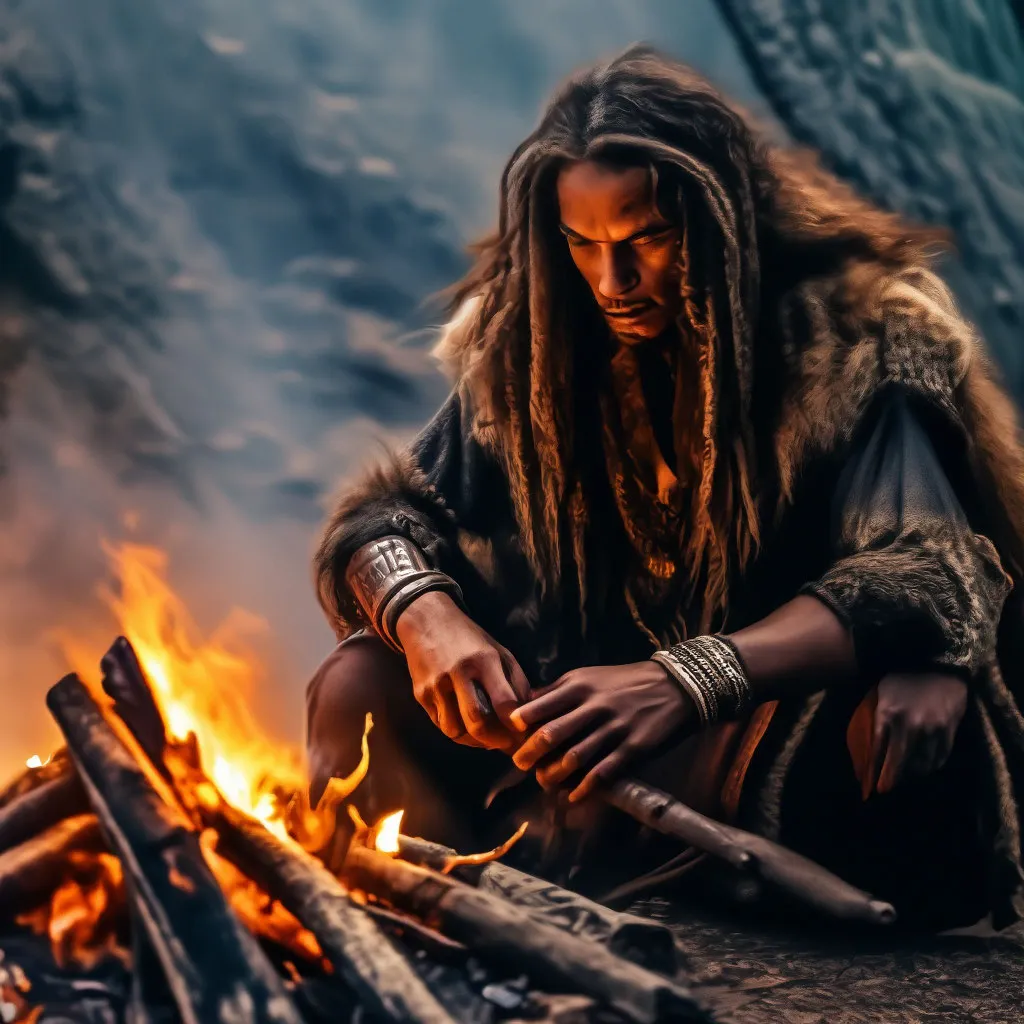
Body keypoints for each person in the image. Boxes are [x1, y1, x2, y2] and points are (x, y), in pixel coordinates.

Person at [306, 45, 1024, 930]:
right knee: (359, 684)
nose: (613, 281)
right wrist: (427, 615)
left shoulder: (858, 335)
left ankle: (604, 852)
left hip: (761, 730)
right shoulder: (532, 344)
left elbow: (930, 572)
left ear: (718, 219)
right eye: (583, 245)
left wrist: (689, 679)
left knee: (896, 729)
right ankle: (517, 853)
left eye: (647, 239)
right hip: (580, 728)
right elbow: (383, 520)